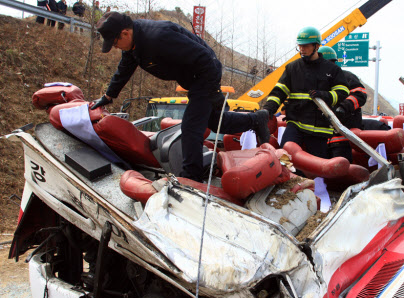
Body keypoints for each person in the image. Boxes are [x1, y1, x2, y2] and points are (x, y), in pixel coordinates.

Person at [91, 12, 270, 182]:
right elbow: (124, 69)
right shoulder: (133, 45)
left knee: (191, 127)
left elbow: (205, 58)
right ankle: (256, 120)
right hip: (193, 77)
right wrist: (108, 96)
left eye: (114, 43)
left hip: (204, 71)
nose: (115, 47)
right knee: (215, 122)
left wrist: (214, 92)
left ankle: (191, 177)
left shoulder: (158, 37)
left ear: (124, 33)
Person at [260, 27, 350, 160]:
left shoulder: (332, 69)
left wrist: (325, 96)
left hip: (320, 128)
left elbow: (343, 91)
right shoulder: (292, 68)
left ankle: (312, 181)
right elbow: (279, 92)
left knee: (316, 164)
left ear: (317, 46)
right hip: (296, 122)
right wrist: (268, 109)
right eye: (300, 45)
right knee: (284, 155)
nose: (302, 49)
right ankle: (287, 179)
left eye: (305, 46)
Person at [318, 45, 367, 162]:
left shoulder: (346, 77)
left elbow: (360, 95)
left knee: (341, 169)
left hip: (344, 135)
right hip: (322, 137)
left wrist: (343, 108)